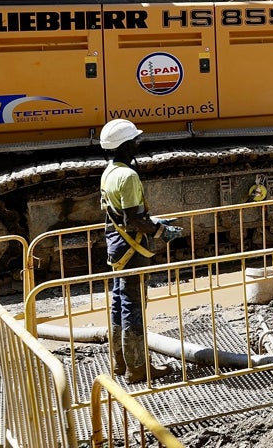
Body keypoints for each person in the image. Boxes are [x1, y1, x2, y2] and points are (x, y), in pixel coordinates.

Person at [98, 118, 182, 383]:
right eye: (134, 140)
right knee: (133, 305)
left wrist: (154, 221)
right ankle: (138, 368)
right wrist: (159, 231)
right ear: (124, 145)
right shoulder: (128, 175)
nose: (138, 143)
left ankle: (119, 364)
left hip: (117, 247)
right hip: (131, 249)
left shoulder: (109, 171)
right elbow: (133, 220)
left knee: (119, 301)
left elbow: (121, 215)